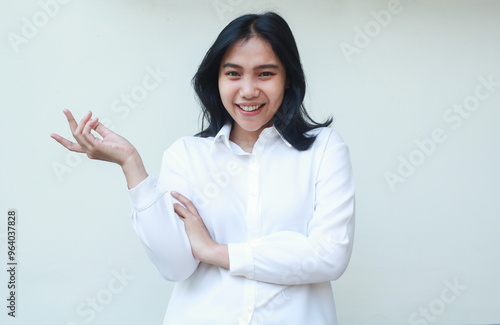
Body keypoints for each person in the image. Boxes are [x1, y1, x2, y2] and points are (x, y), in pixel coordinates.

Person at [51, 12, 355, 325]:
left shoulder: (324, 149)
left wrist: (213, 251)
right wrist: (131, 164)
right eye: (233, 74)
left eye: (265, 74)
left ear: (287, 77)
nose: (248, 90)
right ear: (217, 79)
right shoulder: (186, 155)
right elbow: (176, 267)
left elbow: (328, 257)